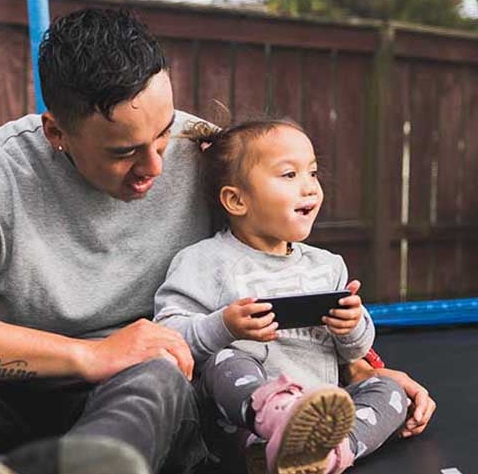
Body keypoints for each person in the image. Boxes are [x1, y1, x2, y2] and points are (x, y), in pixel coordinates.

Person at [0, 8, 434, 474]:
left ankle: (89, 461)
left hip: (142, 403)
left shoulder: (206, 151)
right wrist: (91, 354)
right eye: (123, 152)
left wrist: (364, 367)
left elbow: (277, 258)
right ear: (57, 133)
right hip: (6, 403)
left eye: (162, 131)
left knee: (159, 370)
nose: (154, 166)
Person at [153, 119, 412, 474]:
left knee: (390, 389)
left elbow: (353, 352)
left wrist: (352, 325)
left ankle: (329, 452)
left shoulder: (327, 266)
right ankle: (275, 429)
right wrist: (223, 326)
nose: (309, 188)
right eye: (289, 175)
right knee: (225, 360)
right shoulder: (203, 262)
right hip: (238, 422)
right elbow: (168, 336)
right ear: (236, 199)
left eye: (313, 173)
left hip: (322, 408)